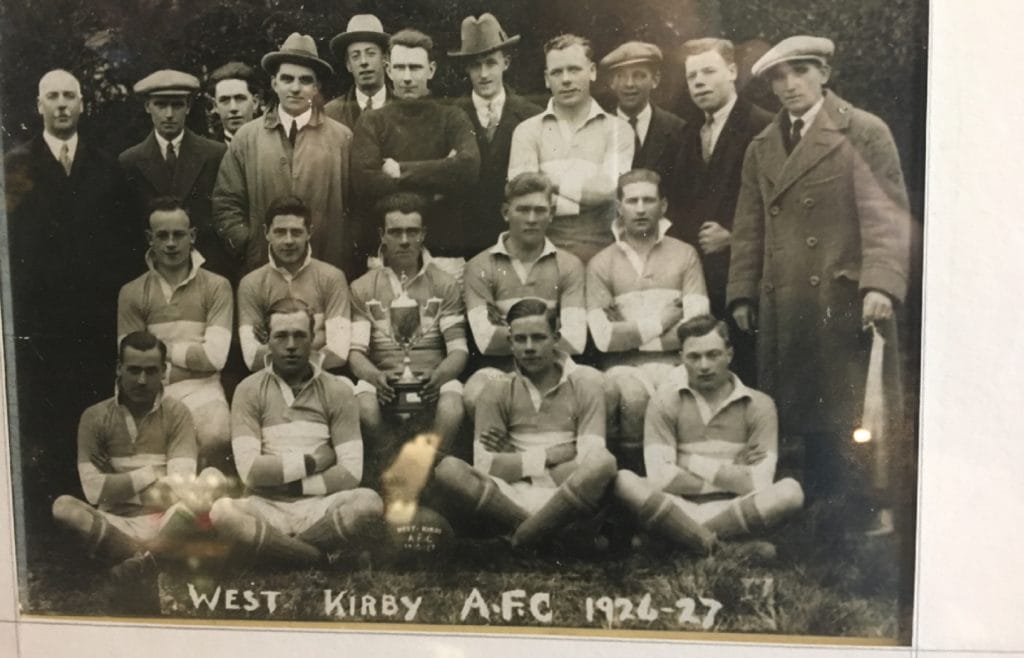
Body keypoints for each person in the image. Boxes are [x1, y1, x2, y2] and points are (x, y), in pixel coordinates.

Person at [726, 36, 911, 502]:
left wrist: (881, 285)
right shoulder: (762, 146)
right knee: (800, 405)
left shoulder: (865, 131)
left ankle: (856, 507)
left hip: (842, 294)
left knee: (846, 406)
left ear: (825, 74)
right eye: (778, 78)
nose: (790, 86)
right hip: (785, 297)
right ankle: (813, 504)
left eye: (801, 72)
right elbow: (748, 225)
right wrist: (743, 292)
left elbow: (887, 217)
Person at [4, 69, 134, 507]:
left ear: (82, 105)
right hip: (39, 318)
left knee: (93, 406)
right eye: (52, 97)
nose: (61, 105)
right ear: (38, 106)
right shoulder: (15, 165)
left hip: (93, 315)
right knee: (45, 410)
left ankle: (95, 501)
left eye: (69, 97)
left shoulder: (106, 167)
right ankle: (48, 508)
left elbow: (122, 245)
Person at [210, 298, 383, 566]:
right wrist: (312, 462)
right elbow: (250, 472)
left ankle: (280, 550)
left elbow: (350, 473)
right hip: (266, 506)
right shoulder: (248, 389)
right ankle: (313, 556)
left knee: (369, 502)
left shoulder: (338, 390)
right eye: (281, 336)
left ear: (313, 337)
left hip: (319, 506)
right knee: (222, 512)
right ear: (267, 339)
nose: (291, 345)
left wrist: (292, 484)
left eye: (300, 335)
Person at [433, 299, 616, 547]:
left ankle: (523, 538)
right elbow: (486, 465)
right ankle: (553, 538)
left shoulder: (585, 384)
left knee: (602, 462)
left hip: (567, 497)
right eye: (520, 339)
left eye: (539, 338)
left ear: (556, 338)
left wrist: (516, 463)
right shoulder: (496, 389)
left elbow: (587, 463)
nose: (529, 347)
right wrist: (549, 456)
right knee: (448, 469)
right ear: (510, 342)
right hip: (509, 496)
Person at [614, 315, 804, 551]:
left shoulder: (760, 404)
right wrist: (733, 474)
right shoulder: (664, 402)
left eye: (713, 354)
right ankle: (724, 547)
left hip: (734, 506)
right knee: (624, 481)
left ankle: (679, 541)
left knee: (790, 492)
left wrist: (686, 461)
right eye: (694, 357)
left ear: (729, 355)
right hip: (678, 506)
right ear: (680, 358)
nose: (704, 365)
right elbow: (660, 479)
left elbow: (760, 482)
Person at [51, 331, 226, 571]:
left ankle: (136, 558)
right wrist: (152, 472)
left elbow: (180, 488)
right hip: (115, 522)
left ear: (163, 371)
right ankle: (151, 557)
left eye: (151, 371)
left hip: (165, 520)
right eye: (134, 370)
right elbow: (93, 492)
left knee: (212, 478)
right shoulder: (94, 417)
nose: (142, 380)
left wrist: (115, 482)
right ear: (119, 368)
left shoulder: (178, 414)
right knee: (63, 506)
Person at [666, 38, 773, 383]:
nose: (699, 82)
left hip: (748, 274)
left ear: (732, 71)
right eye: (692, 75)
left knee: (748, 370)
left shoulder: (763, 126)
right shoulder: (688, 133)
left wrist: (734, 237)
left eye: (709, 71)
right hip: (702, 278)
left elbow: (779, 205)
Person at [587, 169, 709, 472]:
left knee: (676, 397)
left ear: (663, 206)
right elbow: (604, 339)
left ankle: (672, 488)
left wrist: (629, 331)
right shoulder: (601, 263)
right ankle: (634, 488)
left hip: (677, 365)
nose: (640, 209)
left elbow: (698, 331)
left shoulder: (685, 255)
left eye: (648, 200)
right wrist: (664, 320)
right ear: (619, 206)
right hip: (622, 367)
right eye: (632, 201)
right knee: (632, 397)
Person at [348, 192, 468, 485]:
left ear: (423, 234)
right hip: (384, 380)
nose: (404, 240)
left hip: (432, 378)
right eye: (395, 232)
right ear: (382, 235)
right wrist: (375, 377)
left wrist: (439, 375)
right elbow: (355, 352)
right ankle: (391, 467)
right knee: (363, 404)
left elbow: (458, 350)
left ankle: (429, 474)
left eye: (412, 232)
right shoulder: (363, 287)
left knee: (452, 404)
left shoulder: (445, 283)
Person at [214, 33, 353, 275]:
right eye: (287, 79)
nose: (296, 88)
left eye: (305, 80)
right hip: (263, 269)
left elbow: (356, 205)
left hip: (326, 269)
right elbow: (226, 202)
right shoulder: (246, 138)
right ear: (274, 83)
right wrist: (249, 245)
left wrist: (342, 252)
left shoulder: (341, 138)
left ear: (317, 87)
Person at [117, 197, 234, 470]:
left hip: (203, 390)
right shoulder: (131, 292)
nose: (171, 243)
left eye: (179, 234)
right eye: (162, 235)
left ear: (192, 236)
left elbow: (215, 358)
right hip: (147, 389)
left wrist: (160, 350)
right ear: (150, 238)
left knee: (217, 435)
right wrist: (193, 360)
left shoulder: (217, 286)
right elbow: (133, 365)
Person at [350, 28, 480, 270]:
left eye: (415, 67)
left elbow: (468, 168)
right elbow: (365, 184)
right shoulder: (371, 121)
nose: (407, 77)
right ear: (388, 70)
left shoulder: (452, 117)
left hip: (445, 252)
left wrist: (400, 170)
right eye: (400, 68)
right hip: (387, 257)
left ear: (431, 70)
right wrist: (437, 189)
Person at [462, 172, 587, 414]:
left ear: (551, 213)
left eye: (540, 210)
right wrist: (549, 329)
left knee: (596, 386)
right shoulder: (479, 266)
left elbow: (576, 340)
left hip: (556, 370)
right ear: (506, 212)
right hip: (500, 370)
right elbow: (485, 340)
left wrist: (508, 331)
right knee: (475, 393)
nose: (532, 218)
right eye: (523, 209)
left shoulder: (569, 264)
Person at [508, 34, 633, 264]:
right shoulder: (526, 132)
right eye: (557, 72)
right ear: (547, 79)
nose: (565, 79)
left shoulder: (619, 130)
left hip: (604, 254)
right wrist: (585, 191)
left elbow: (608, 192)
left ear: (592, 71)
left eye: (574, 70)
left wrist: (548, 181)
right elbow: (525, 200)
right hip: (541, 256)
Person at [119, 69, 230, 279]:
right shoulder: (129, 161)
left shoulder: (215, 154)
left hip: (205, 271)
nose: (169, 114)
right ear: (147, 107)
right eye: (161, 105)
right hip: (151, 273)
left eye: (177, 105)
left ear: (188, 107)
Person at [449, 13, 541, 254]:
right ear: (467, 68)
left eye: (490, 62)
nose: (484, 74)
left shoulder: (533, 116)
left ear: (506, 63)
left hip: (518, 238)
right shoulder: (449, 116)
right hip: (466, 240)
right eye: (475, 65)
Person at [236, 195, 351, 373]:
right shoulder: (251, 283)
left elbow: (338, 353)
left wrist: (274, 343)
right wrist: (320, 337)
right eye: (280, 232)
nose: (288, 241)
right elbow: (252, 359)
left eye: (296, 232)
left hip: (323, 380)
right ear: (267, 232)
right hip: (270, 384)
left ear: (309, 232)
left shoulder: (332, 277)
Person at [599, 41, 685, 182]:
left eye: (639, 75)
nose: (629, 84)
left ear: (655, 80)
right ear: (611, 82)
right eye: (620, 76)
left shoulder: (677, 130)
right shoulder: (598, 129)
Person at [324, 14, 392, 129]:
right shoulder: (329, 114)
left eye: (371, 53)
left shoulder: (406, 110)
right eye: (355, 56)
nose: (363, 62)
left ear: (385, 59)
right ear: (348, 65)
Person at [207, 62, 260, 146]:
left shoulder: (276, 145)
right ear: (215, 106)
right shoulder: (206, 152)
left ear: (255, 102)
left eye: (240, 98)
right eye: (225, 100)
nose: (233, 108)